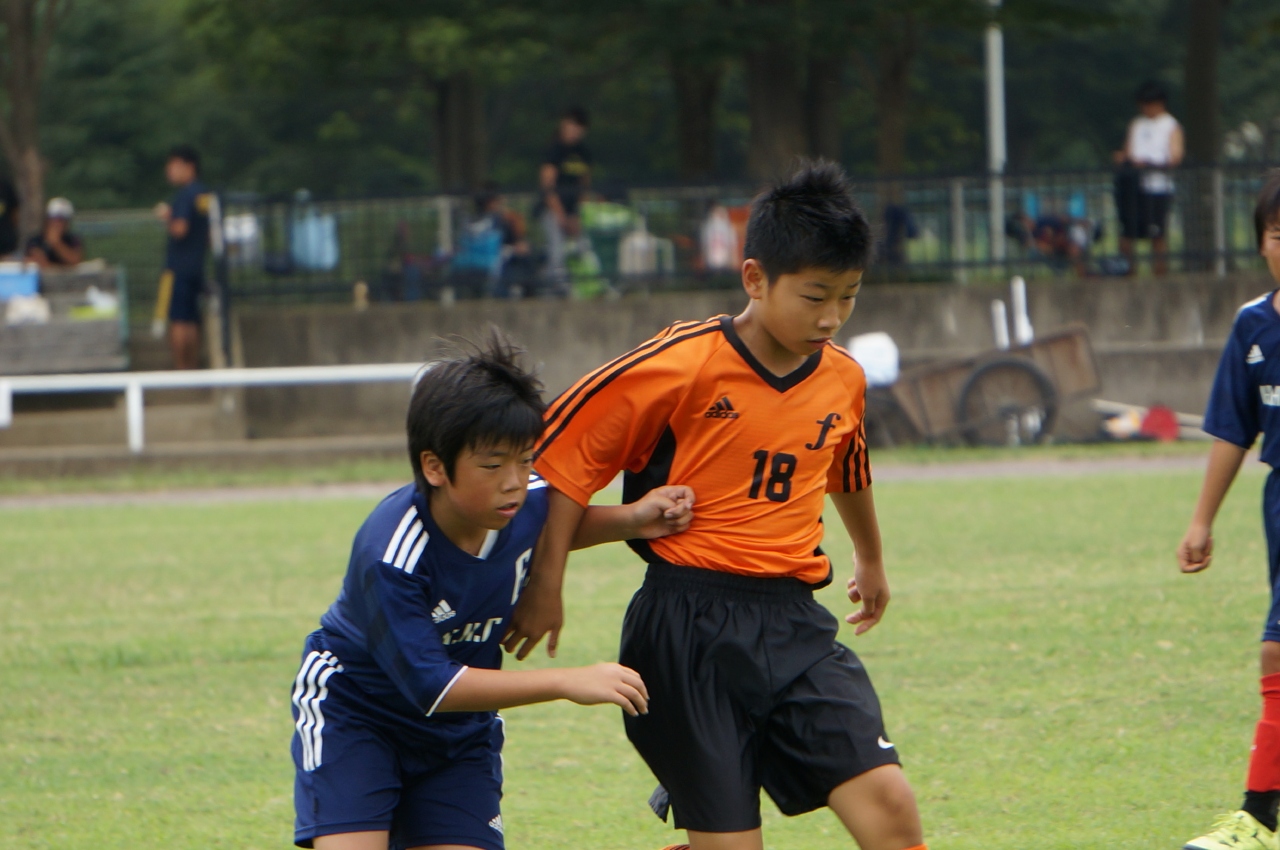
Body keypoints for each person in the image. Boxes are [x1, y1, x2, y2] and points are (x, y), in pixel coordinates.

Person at [505, 161, 927, 850]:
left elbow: (846, 466)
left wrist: (871, 557)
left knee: (890, 804)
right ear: (755, 278)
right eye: (815, 296)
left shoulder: (843, 378)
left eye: (849, 296)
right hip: (686, 626)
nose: (831, 317)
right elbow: (562, 466)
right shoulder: (679, 363)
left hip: (794, 621)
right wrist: (547, 584)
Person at [290, 334, 696, 850]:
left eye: (525, 460)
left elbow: (551, 525)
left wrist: (635, 519)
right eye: (492, 465)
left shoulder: (519, 501)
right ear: (435, 467)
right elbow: (432, 687)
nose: (514, 481)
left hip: (458, 735)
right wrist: (568, 680)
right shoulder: (391, 553)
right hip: (357, 717)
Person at [1177, 170, 1280, 850]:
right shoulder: (1253, 325)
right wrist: (1201, 520)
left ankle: (1259, 818)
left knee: (1278, 648)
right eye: (1279, 234)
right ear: (1262, 243)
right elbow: (1232, 431)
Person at [1115, 80, 1184, 276]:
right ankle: (1129, 271)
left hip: (1158, 186)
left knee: (1157, 233)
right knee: (1128, 232)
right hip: (1135, 185)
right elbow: (1128, 151)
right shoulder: (1137, 124)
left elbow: (1175, 156)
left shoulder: (1170, 125)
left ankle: (1160, 272)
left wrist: (1150, 164)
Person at [153, 145, 211, 370]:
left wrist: (167, 216)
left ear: (189, 167)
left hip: (178, 267)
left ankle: (181, 369)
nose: (169, 171)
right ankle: (192, 368)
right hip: (197, 265)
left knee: (178, 319)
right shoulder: (203, 194)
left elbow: (180, 229)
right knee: (192, 319)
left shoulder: (185, 195)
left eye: (174, 166)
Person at [538, 106, 592, 290]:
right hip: (552, 209)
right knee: (557, 248)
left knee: (582, 247)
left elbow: (584, 186)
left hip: (572, 211)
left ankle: (584, 285)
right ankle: (552, 287)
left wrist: (577, 214)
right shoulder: (554, 150)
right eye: (571, 126)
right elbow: (548, 185)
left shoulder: (583, 153)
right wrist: (561, 215)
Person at [25, 197, 84, 268]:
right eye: (54, 218)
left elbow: (76, 261)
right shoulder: (35, 241)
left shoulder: (73, 240)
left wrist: (56, 243)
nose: (57, 223)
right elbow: (38, 262)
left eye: (61, 220)